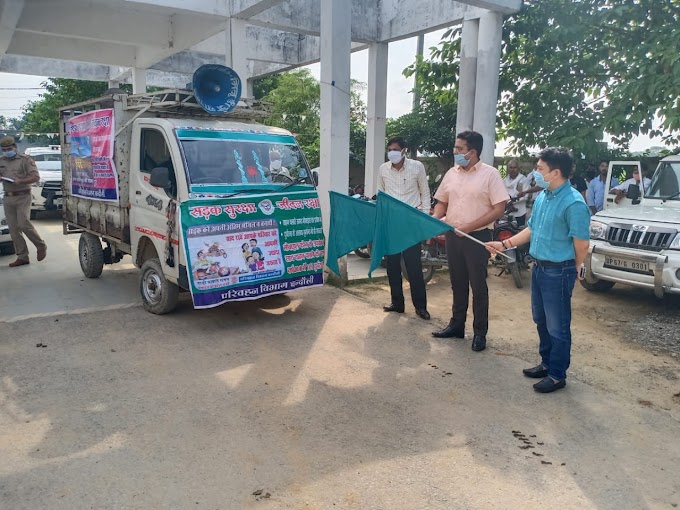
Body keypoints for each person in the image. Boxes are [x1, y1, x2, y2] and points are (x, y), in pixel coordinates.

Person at [486, 148, 590, 393]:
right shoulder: (544, 195)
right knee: (541, 320)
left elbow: (582, 244)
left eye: (540, 169)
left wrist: (576, 268)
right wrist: (504, 244)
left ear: (555, 172)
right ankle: (546, 363)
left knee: (558, 325)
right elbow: (531, 229)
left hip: (559, 271)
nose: (536, 173)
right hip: (540, 268)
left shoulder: (574, 203)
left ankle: (557, 374)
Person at [431, 131, 509, 351]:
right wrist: (435, 217)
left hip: (477, 237)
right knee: (457, 282)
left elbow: (499, 209)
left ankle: (479, 333)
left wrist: (468, 227)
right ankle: (456, 326)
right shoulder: (451, 173)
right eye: (455, 148)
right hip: (452, 236)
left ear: (472, 152)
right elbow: (442, 201)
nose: (455, 152)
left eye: (459, 149)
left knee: (478, 285)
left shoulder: (490, 175)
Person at [377, 136, 431, 320]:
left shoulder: (417, 167)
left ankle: (420, 307)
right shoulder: (383, 169)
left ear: (403, 150)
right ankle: (397, 303)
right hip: (391, 223)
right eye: (389, 149)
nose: (391, 153)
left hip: (410, 222)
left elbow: (425, 192)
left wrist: (424, 217)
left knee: (413, 266)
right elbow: (381, 194)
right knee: (392, 266)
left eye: (395, 149)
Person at [0, 136, 47, 267]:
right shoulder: (1, 161)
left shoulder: (25, 160)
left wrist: (21, 181)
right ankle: (22, 256)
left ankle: (40, 245)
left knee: (23, 223)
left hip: (23, 195)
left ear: (15, 148)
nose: (7, 151)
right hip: (8, 197)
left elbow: (35, 177)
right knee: (13, 228)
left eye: (9, 149)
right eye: (4, 149)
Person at [503, 159, 530, 226]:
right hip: (508, 212)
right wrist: (508, 203)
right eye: (510, 167)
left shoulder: (523, 179)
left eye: (514, 167)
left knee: (519, 230)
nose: (512, 169)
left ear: (518, 168)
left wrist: (512, 202)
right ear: (508, 168)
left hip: (520, 212)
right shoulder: (504, 181)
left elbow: (526, 195)